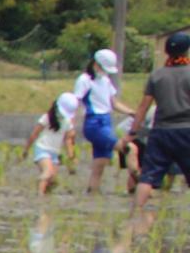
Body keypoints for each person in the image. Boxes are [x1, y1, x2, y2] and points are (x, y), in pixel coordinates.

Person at [133, 32, 190, 211]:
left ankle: (135, 213)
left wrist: (133, 131)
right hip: (186, 131)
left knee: (148, 177)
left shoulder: (157, 75)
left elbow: (143, 107)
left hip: (160, 131)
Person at [76, 49, 135, 194]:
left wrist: (131, 112)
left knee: (100, 164)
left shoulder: (106, 80)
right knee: (129, 148)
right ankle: (140, 182)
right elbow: (76, 101)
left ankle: (92, 192)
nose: (104, 71)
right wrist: (71, 123)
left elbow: (114, 103)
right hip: (94, 123)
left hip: (106, 121)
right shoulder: (84, 80)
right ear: (96, 63)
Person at [26, 92, 80, 197]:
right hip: (42, 149)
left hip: (54, 153)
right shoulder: (46, 118)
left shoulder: (67, 122)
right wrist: (26, 150)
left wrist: (71, 157)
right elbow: (34, 134)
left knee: (53, 181)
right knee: (48, 172)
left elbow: (68, 140)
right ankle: (39, 196)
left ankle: (46, 197)